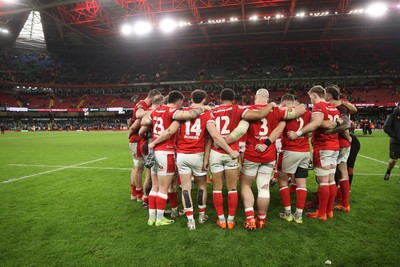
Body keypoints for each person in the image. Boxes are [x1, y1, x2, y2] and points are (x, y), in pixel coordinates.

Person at [148, 89, 239, 230]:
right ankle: (202, 216)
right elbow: (213, 136)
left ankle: (190, 220)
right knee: (202, 186)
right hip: (198, 154)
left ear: (191, 99)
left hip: (182, 155)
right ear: (204, 100)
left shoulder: (182, 114)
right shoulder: (207, 114)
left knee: (186, 188)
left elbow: (171, 130)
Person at [227, 90, 306, 230]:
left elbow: (240, 130)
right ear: (268, 98)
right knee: (264, 186)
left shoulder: (249, 110)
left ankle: (250, 218)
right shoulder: (277, 111)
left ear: (256, 98)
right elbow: (300, 110)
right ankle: (262, 219)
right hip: (269, 154)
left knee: (245, 185)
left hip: (252, 153)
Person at [205, 88, 275, 229]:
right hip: (232, 152)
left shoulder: (212, 112)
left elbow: (211, 134)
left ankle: (221, 220)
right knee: (232, 188)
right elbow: (260, 114)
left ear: (219, 100)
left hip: (216, 151)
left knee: (217, 188)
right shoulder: (238, 109)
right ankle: (230, 221)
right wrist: (272, 105)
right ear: (233, 100)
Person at [141, 90, 211, 226]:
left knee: (155, 186)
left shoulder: (156, 111)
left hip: (154, 152)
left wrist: (152, 116)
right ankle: (160, 218)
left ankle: (152, 218)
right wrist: (203, 107)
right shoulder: (172, 112)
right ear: (178, 102)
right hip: (165, 152)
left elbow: (144, 122)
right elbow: (189, 115)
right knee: (163, 188)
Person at [287, 86, 341, 221]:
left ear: (315, 95)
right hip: (334, 146)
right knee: (331, 180)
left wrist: (298, 133)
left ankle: (322, 213)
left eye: (311, 97)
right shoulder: (333, 108)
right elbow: (335, 124)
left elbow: (316, 123)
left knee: (323, 182)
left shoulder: (319, 106)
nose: (310, 100)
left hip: (323, 146)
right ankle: (329, 211)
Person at [277, 94, 312, 224]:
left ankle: (287, 213)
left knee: (282, 180)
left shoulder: (286, 113)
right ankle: (299, 215)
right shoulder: (307, 111)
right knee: (301, 183)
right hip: (305, 151)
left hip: (290, 150)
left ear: (285, 104)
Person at [128, 89, 161, 202]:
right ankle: (138, 193)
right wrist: (156, 110)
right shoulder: (142, 105)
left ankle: (135, 192)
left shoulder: (143, 105)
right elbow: (138, 116)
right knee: (139, 167)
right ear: (153, 98)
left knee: (137, 167)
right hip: (137, 139)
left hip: (137, 139)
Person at [325, 86, 353, 213]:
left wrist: (332, 131)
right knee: (339, 171)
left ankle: (342, 202)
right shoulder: (335, 106)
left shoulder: (339, 107)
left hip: (340, 143)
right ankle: (342, 201)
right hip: (340, 142)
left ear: (329, 96)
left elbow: (345, 124)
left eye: (325, 94)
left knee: (336, 171)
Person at [383, 104, 400, 181]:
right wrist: (395, 135)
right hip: (395, 142)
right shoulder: (393, 116)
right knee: (393, 160)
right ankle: (388, 172)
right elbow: (386, 127)